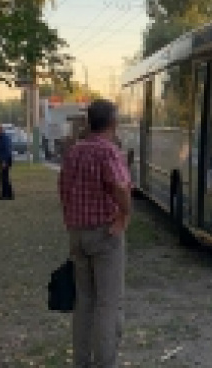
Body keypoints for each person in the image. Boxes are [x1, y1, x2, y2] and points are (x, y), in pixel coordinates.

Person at [58, 100, 132, 368]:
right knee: (108, 305)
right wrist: (124, 215)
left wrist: (71, 224)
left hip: (77, 234)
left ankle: (81, 362)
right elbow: (121, 187)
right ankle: (105, 363)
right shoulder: (108, 152)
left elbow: (63, 190)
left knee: (84, 303)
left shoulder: (74, 151)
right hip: (104, 235)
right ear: (112, 123)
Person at [0, 125, 14, 200]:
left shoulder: (4, 138)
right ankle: (4, 194)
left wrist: (4, 161)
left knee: (5, 177)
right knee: (3, 177)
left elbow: (7, 150)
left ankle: (8, 195)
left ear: (0, 130)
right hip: (3, 158)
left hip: (6, 159)